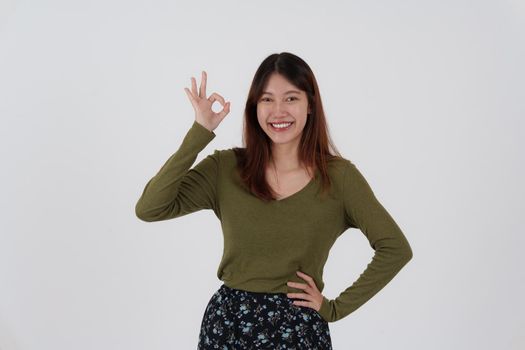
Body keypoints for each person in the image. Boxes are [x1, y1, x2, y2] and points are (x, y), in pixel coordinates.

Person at [135, 52, 413, 349]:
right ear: (255, 107)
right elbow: (150, 207)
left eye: (291, 98)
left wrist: (335, 308)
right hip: (229, 327)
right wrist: (200, 132)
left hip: (298, 331)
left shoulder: (339, 177)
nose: (278, 111)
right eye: (267, 99)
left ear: (310, 106)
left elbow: (395, 248)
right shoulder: (226, 168)